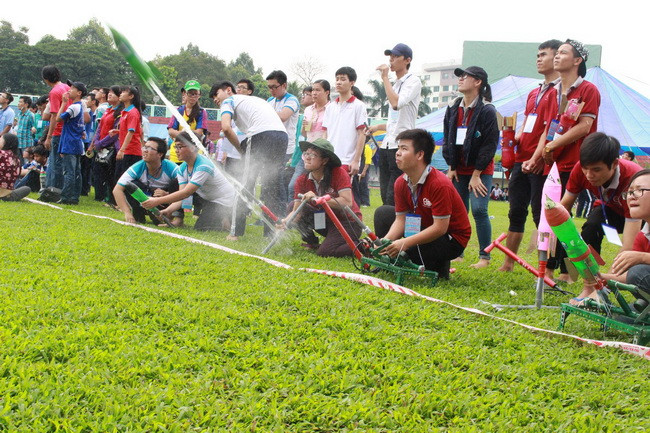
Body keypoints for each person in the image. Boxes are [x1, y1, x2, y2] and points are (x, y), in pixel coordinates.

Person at [540, 39, 601, 282]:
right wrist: (540, 154)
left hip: (579, 164)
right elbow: (547, 128)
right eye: (557, 53)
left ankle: (571, 272)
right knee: (551, 215)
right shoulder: (551, 92)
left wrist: (554, 144)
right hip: (554, 165)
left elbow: (585, 126)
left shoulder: (588, 90)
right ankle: (550, 269)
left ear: (578, 61)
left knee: (577, 219)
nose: (556, 56)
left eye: (563, 53)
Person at [499, 39, 562, 272]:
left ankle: (548, 267)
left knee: (541, 214)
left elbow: (552, 128)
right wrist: (514, 139)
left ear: (556, 58)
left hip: (540, 162)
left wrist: (537, 158)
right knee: (515, 210)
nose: (538, 58)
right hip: (520, 159)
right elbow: (528, 123)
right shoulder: (534, 91)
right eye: (537, 55)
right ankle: (508, 263)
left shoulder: (559, 91)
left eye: (543, 54)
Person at [374, 129, 471, 279]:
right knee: (382, 213)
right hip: (423, 226)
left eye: (404, 149)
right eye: (398, 148)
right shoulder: (400, 182)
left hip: (450, 238)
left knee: (411, 248)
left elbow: (440, 228)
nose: (397, 153)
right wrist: (384, 242)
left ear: (420, 155)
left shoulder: (439, 183)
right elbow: (401, 220)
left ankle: (440, 265)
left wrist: (404, 243)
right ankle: (396, 259)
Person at [557, 133, 642, 304]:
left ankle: (600, 290)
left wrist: (604, 287)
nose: (589, 175)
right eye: (585, 168)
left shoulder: (633, 180)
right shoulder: (580, 169)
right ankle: (588, 286)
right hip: (608, 209)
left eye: (596, 170)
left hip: (639, 215)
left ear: (614, 164)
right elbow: (563, 207)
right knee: (590, 228)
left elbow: (627, 246)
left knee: (635, 252)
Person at [209, 80, 288, 239]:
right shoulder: (256, 100)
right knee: (271, 185)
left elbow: (225, 127)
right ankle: (270, 233)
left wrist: (240, 150)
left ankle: (235, 232)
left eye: (216, 94)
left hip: (261, 136)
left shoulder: (229, 100)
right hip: (281, 137)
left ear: (228, 90)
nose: (216, 100)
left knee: (244, 184)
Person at [442, 66, 499, 269]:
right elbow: (448, 139)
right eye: (460, 76)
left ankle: (485, 256)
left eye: (465, 76)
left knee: (479, 209)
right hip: (458, 169)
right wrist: (452, 166)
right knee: (458, 212)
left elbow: (489, 145)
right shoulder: (452, 108)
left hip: (480, 170)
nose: (460, 79)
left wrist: (477, 174)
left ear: (478, 82)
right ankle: (457, 253)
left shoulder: (487, 111)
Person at [282, 138, 362, 256]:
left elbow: (347, 202)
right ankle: (312, 242)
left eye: (313, 155)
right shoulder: (302, 180)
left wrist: (319, 198)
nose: (307, 158)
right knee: (291, 207)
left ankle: (363, 245)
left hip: (347, 222)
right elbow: (296, 211)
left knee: (325, 252)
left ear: (324, 160)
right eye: (306, 154)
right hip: (326, 220)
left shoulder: (339, 173)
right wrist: (285, 222)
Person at [142, 131, 236, 231]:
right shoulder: (182, 168)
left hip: (223, 201)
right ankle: (179, 219)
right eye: (175, 147)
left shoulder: (203, 166)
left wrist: (156, 201)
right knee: (174, 183)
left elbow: (186, 193)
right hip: (206, 198)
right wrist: (167, 211)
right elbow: (181, 195)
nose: (176, 150)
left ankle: (225, 217)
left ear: (192, 148)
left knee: (203, 229)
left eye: (180, 147)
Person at [367, 43, 421, 206]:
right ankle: (389, 230)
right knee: (385, 196)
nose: (391, 60)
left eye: (396, 56)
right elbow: (395, 120)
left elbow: (396, 103)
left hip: (401, 147)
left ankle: (394, 230)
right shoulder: (396, 84)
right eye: (390, 56)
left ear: (407, 60)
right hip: (387, 145)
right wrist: (377, 127)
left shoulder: (413, 81)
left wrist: (384, 77)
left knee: (394, 197)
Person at [603, 169, 650, 299]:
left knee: (638, 271)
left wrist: (642, 258)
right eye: (629, 192)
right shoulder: (643, 235)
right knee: (623, 319)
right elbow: (631, 277)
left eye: (640, 190)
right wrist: (603, 277)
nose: (631, 196)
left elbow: (638, 274)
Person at [114, 137, 180, 225]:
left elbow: (186, 190)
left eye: (150, 148)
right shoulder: (137, 167)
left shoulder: (172, 168)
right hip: (146, 199)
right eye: (145, 147)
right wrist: (127, 213)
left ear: (160, 154)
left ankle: (170, 216)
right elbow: (117, 190)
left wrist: (167, 194)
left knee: (175, 183)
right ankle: (138, 215)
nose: (145, 150)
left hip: (164, 202)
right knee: (131, 185)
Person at [323, 67, 367, 177]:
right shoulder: (330, 107)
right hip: (329, 159)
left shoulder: (359, 106)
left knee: (344, 193)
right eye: (337, 79)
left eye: (343, 79)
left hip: (347, 161)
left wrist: (356, 160)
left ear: (352, 82)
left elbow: (362, 134)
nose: (338, 82)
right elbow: (325, 133)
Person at [266, 70, 300, 202]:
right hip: (270, 148)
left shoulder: (292, 100)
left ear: (284, 85)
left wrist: (265, 112)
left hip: (286, 149)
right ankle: (268, 214)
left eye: (275, 87)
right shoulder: (270, 101)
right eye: (269, 87)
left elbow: (283, 116)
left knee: (280, 184)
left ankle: (282, 215)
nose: (272, 90)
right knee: (269, 183)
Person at [56, 81, 87, 205]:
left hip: (69, 143)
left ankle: (66, 197)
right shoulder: (80, 107)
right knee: (76, 172)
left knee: (69, 171)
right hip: (77, 143)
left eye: (72, 88)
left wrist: (63, 102)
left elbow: (58, 119)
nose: (69, 90)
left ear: (79, 93)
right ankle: (74, 197)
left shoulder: (73, 107)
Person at [90, 86, 123, 203]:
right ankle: (99, 197)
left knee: (111, 175)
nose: (110, 94)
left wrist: (101, 143)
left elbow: (115, 133)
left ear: (120, 97)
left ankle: (111, 199)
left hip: (112, 147)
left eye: (113, 93)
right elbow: (99, 127)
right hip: (100, 146)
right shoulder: (108, 110)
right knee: (98, 172)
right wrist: (96, 142)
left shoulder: (120, 113)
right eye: (109, 92)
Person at [41, 65, 70, 190]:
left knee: (55, 162)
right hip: (69, 130)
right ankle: (63, 189)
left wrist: (49, 136)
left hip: (58, 131)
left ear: (45, 78)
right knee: (65, 164)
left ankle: (53, 190)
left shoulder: (54, 92)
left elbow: (53, 116)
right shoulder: (67, 87)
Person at [167, 80, 208, 165]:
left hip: (193, 154)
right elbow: (170, 131)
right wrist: (189, 133)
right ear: (185, 94)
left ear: (199, 95)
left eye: (195, 94)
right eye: (190, 93)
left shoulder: (201, 112)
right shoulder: (179, 110)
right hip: (177, 154)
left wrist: (180, 133)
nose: (193, 96)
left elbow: (199, 133)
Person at [112, 86, 143, 184]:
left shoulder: (132, 112)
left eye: (124, 92)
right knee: (119, 177)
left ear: (131, 96)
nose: (120, 94)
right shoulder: (125, 111)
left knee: (125, 180)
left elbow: (131, 132)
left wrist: (122, 150)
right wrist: (118, 131)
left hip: (131, 152)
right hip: (126, 150)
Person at [0, 133, 31, 201]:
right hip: (6, 194)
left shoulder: (1, 153)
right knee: (26, 189)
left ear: (5, 142)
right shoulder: (17, 160)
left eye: (1, 139)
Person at [15, 96, 36, 161]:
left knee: (27, 162)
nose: (18, 103)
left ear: (26, 104)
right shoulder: (19, 114)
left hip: (27, 144)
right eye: (19, 102)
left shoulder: (31, 115)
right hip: (19, 143)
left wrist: (33, 130)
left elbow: (34, 128)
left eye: (20, 102)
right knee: (19, 162)